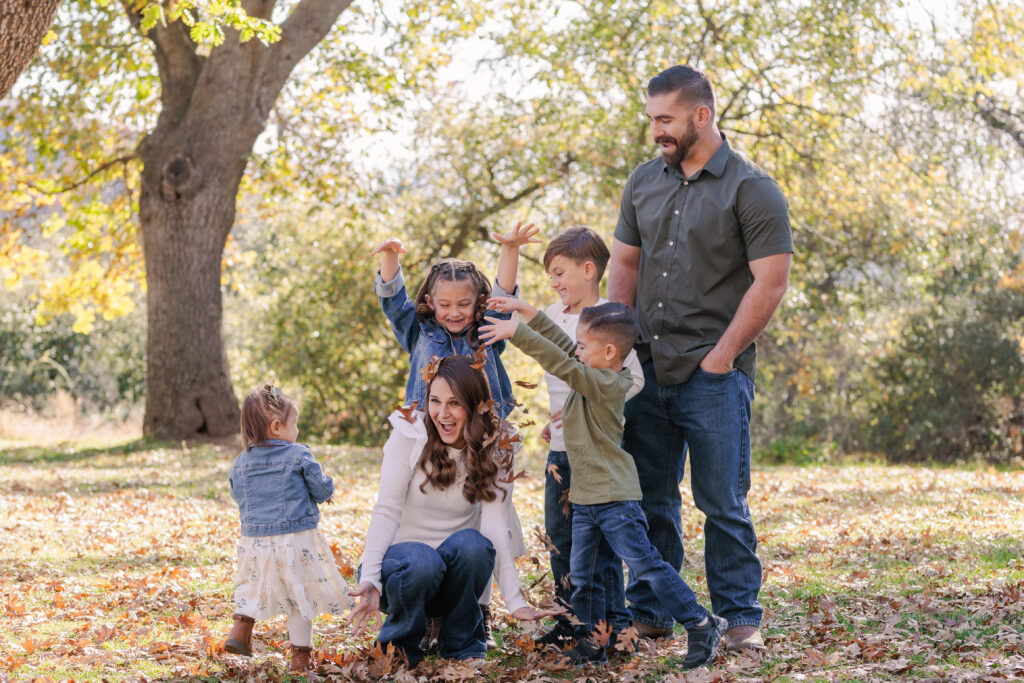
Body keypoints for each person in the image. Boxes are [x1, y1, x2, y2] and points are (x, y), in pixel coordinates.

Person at [607, 64, 793, 651]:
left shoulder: (751, 188)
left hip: (714, 374)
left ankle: (740, 618)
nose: (656, 130)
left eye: (665, 119)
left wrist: (722, 358)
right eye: (651, 119)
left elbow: (770, 283)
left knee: (722, 503)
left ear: (701, 115)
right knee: (650, 497)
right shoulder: (643, 181)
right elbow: (626, 267)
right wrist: (615, 350)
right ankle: (657, 610)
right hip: (645, 368)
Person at [480, 298, 727, 670]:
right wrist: (532, 315)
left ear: (609, 351)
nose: (576, 349)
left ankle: (701, 622)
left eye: (584, 345)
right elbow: (567, 350)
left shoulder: (609, 383)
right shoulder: (592, 370)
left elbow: (562, 362)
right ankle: (593, 642)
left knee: (645, 565)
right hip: (585, 499)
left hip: (615, 499)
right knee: (584, 577)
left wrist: (518, 333)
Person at [371, 223, 539, 647]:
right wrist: (391, 258)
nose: (455, 312)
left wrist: (510, 248)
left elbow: (503, 293)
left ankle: (473, 610)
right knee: (427, 510)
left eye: (464, 303)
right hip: (432, 437)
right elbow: (394, 302)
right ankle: (427, 608)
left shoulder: (487, 333)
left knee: (481, 525)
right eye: (444, 304)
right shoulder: (420, 332)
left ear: (477, 303)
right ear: (431, 302)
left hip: (482, 441)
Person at [347, 355, 558, 668]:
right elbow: (386, 510)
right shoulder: (409, 435)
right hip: (403, 572)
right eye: (435, 400)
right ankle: (398, 652)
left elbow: (496, 529)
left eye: (454, 403)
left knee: (474, 545)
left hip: (453, 578)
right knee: (422, 559)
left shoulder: (498, 445)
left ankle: (462, 649)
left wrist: (514, 601)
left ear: (475, 406)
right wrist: (372, 578)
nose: (441, 414)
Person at [530, 227, 644, 649]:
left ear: (589, 269)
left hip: (595, 456)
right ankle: (570, 618)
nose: (555, 283)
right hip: (561, 451)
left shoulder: (608, 319)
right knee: (562, 538)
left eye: (560, 272)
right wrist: (557, 418)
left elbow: (634, 381)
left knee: (602, 546)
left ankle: (611, 624)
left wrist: (586, 403)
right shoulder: (551, 316)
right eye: (550, 276)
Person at [224, 385, 352, 672]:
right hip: (295, 541)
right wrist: (327, 488)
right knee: (298, 597)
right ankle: (300, 657)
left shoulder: (240, 463)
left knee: (252, 585)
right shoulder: (298, 455)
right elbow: (320, 489)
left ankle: (240, 629)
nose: (297, 431)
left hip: (255, 542)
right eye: (294, 424)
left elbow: (238, 495)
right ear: (277, 426)